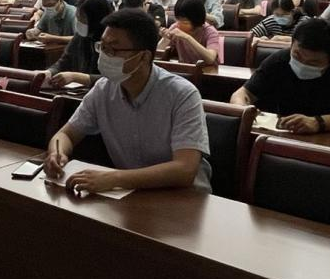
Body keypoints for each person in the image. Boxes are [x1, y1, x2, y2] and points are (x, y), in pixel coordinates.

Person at [43, 11, 211, 193]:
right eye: (103, 47)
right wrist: (57, 153)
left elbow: (184, 169)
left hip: (184, 197)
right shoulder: (103, 89)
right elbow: (66, 135)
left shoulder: (182, 95)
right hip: (131, 193)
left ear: (144, 57)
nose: (105, 55)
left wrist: (115, 178)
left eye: (113, 50)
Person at [231, 18, 330, 134]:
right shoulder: (280, 59)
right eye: (297, 55)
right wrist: (244, 110)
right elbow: (242, 94)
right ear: (292, 44)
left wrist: (318, 123)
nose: (302, 63)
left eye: (313, 62)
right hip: (287, 136)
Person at [46, 0, 112, 87]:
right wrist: (49, 72)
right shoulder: (80, 36)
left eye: (83, 18)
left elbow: (113, 79)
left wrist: (77, 77)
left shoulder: (112, 41)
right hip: (79, 89)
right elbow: (64, 62)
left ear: (95, 19)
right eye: (78, 17)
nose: (79, 21)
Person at [159, 0, 222, 66]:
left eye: (185, 22)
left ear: (196, 20)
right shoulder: (175, 27)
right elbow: (157, 54)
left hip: (208, 71)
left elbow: (210, 59)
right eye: (178, 19)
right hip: (185, 69)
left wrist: (187, 37)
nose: (179, 24)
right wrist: (165, 38)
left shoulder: (210, 32)